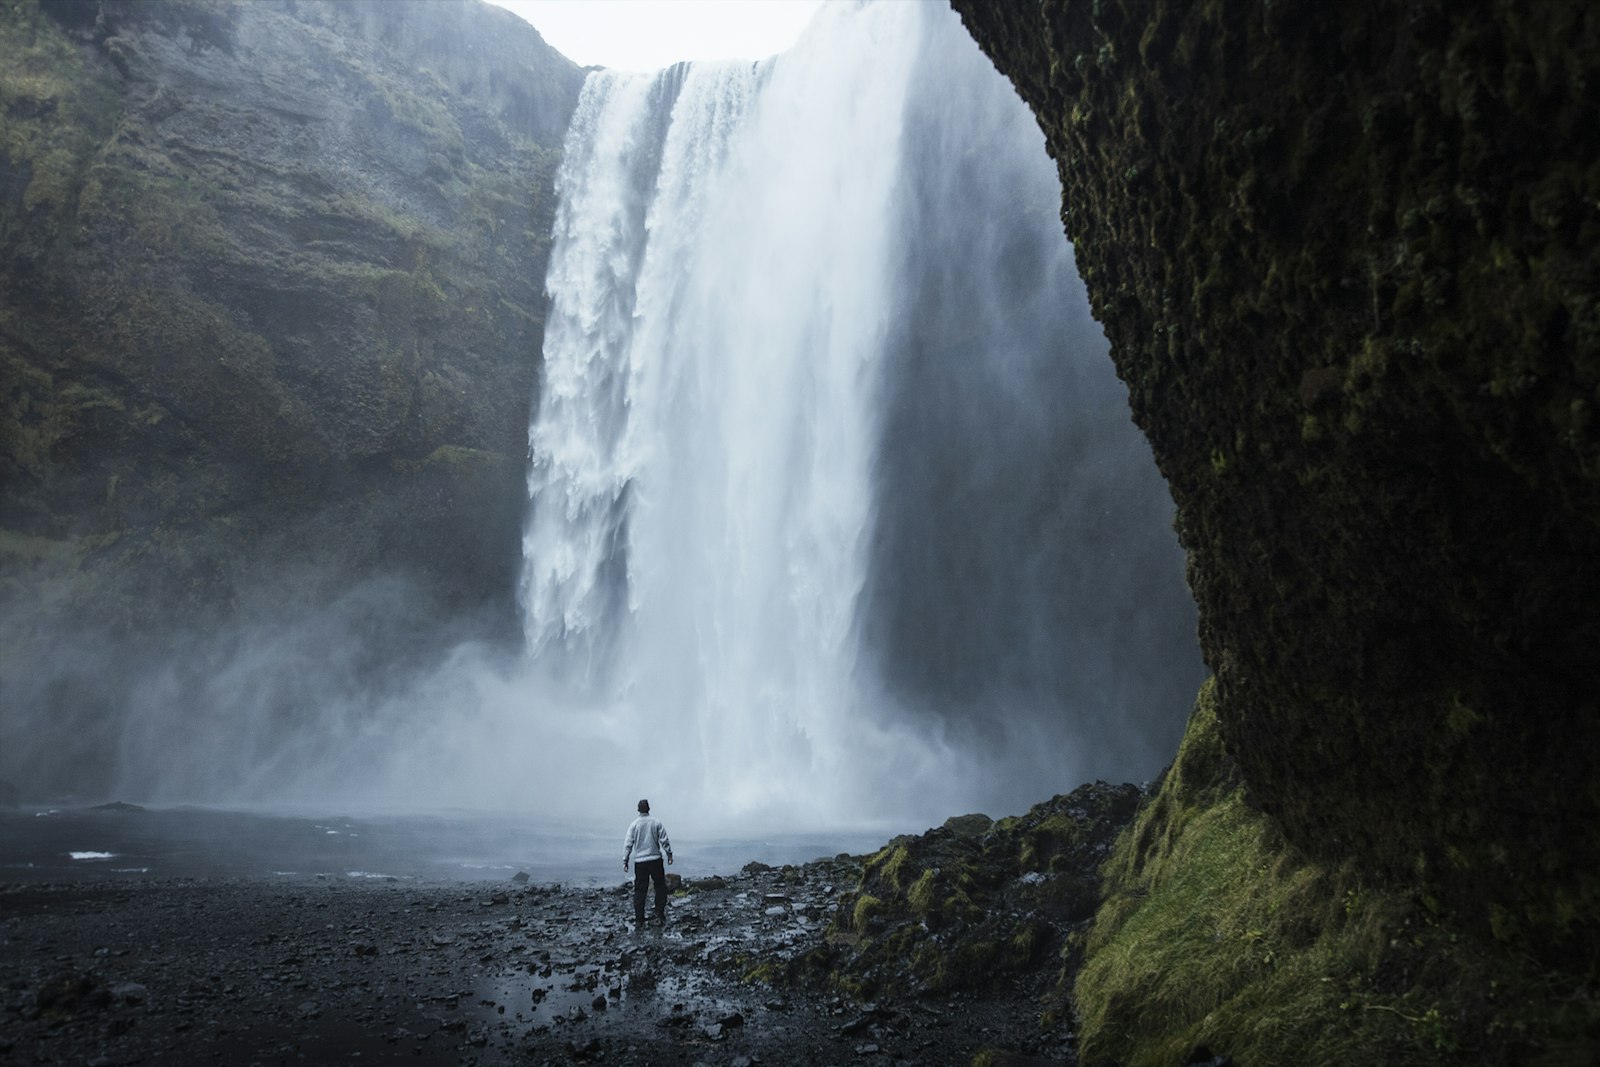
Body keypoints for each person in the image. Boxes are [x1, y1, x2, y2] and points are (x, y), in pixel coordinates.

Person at [622, 798, 673, 928]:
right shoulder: (656, 822)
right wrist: (669, 854)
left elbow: (628, 843)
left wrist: (625, 860)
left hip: (640, 861)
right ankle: (659, 915)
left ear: (638, 810)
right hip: (655, 859)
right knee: (660, 886)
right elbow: (664, 840)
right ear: (648, 809)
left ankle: (639, 919)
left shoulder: (634, 824)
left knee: (640, 890)